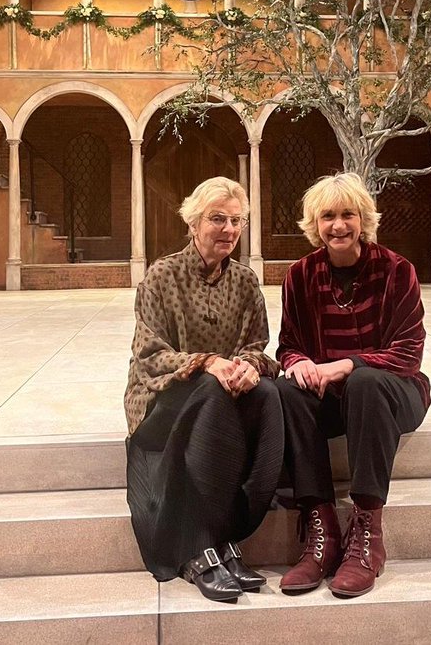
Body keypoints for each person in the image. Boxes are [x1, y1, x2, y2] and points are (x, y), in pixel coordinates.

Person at [124, 176, 283, 602]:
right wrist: (206, 363)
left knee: (269, 395)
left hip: (223, 402)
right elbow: (149, 355)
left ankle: (232, 530)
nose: (228, 229)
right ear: (193, 223)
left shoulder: (246, 283)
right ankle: (197, 544)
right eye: (217, 219)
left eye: (236, 221)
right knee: (210, 392)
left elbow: (258, 346)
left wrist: (247, 367)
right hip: (161, 403)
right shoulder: (161, 276)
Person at [275, 172, 430, 598]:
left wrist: (346, 364)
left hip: (393, 392)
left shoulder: (398, 271)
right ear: (315, 224)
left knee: (364, 382)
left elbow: (408, 353)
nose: (338, 225)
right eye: (328, 216)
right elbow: (287, 345)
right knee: (286, 389)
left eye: (348, 215)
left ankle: (366, 534)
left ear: (363, 219)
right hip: (332, 399)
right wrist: (300, 361)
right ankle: (321, 528)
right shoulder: (300, 276)